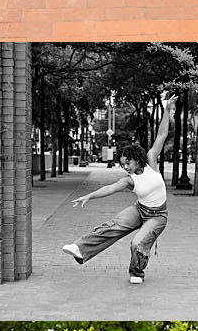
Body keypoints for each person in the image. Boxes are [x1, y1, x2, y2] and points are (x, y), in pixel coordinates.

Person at [63, 99, 172, 285]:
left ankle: (136, 272)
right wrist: (89, 195)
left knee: (137, 243)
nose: (125, 167)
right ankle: (80, 248)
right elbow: (110, 188)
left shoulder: (151, 161)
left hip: (158, 216)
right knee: (113, 225)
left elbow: (161, 135)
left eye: (127, 163)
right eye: (122, 165)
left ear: (137, 159)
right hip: (140, 210)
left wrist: (167, 110)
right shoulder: (129, 180)